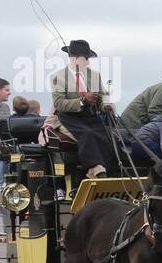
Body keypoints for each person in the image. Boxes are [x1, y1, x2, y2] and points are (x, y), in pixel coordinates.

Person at [46, 39, 119, 178]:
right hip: (67, 117)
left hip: (89, 117)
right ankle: (95, 169)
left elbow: (103, 95)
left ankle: (111, 170)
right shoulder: (57, 77)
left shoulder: (94, 75)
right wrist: (82, 100)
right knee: (87, 134)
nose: (88, 62)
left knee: (106, 135)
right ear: (76, 58)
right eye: (86, 58)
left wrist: (105, 105)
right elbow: (59, 103)